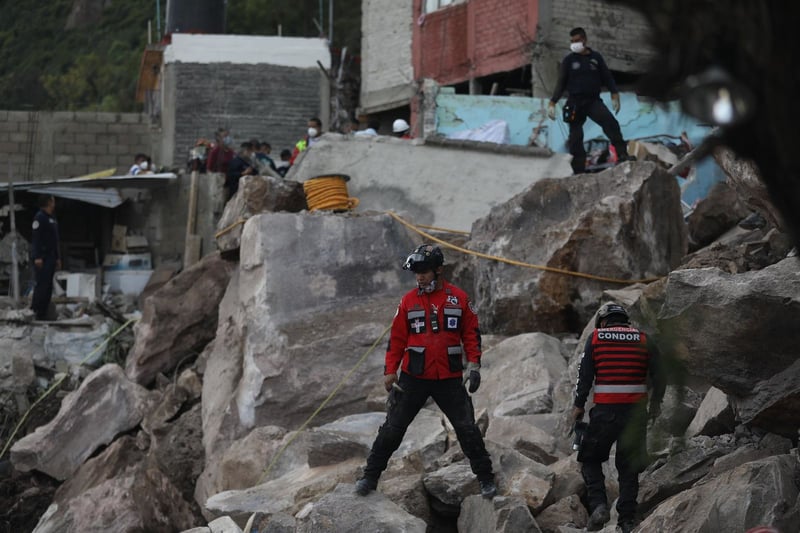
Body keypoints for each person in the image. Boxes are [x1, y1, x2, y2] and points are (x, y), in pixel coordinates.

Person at [355, 244, 497, 499]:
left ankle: (486, 478)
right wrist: (390, 371)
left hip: (449, 378)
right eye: (416, 272)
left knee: (467, 429)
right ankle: (369, 477)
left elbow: (471, 334)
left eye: (424, 271)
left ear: (439, 270)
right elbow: (397, 339)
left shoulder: (460, 298)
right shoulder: (408, 301)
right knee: (392, 429)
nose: (419, 276)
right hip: (413, 377)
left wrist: (474, 365)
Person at [572, 302, 665, 533]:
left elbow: (584, 376)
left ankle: (599, 506)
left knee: (590, 459)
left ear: (603, 322)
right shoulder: (644, 339)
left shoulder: (596, 338)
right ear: (625, 320)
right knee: (629, 468)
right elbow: (660, 375)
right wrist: (656, 403)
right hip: (635, 415)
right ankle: (626, 521)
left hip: (605, 414)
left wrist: (578, 406)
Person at [548, 27, 632, 174]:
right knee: (575, 137)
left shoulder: (596, 58)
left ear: (584, 40)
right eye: (572, 41)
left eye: (577, 41)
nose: (574, 44)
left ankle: (623, 155)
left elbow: (607, 77)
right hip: (574, 102)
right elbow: (561, 82)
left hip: (593, 101)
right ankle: (578, 169)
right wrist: (553, 102)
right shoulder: (568, 60)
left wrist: (614, 93)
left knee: (611, 123)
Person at [30, 195, 60, 321]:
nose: (54, 204)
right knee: (41, 285)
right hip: (42, 257)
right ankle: (35, 311)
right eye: (53, 201)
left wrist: (58, 257)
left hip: (51, 257)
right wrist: (37, 257)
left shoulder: (51, 218)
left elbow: (55, 240)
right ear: (49, 202)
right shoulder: (39, 217)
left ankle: (43, 313)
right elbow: (36, 239)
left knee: (48, 286)